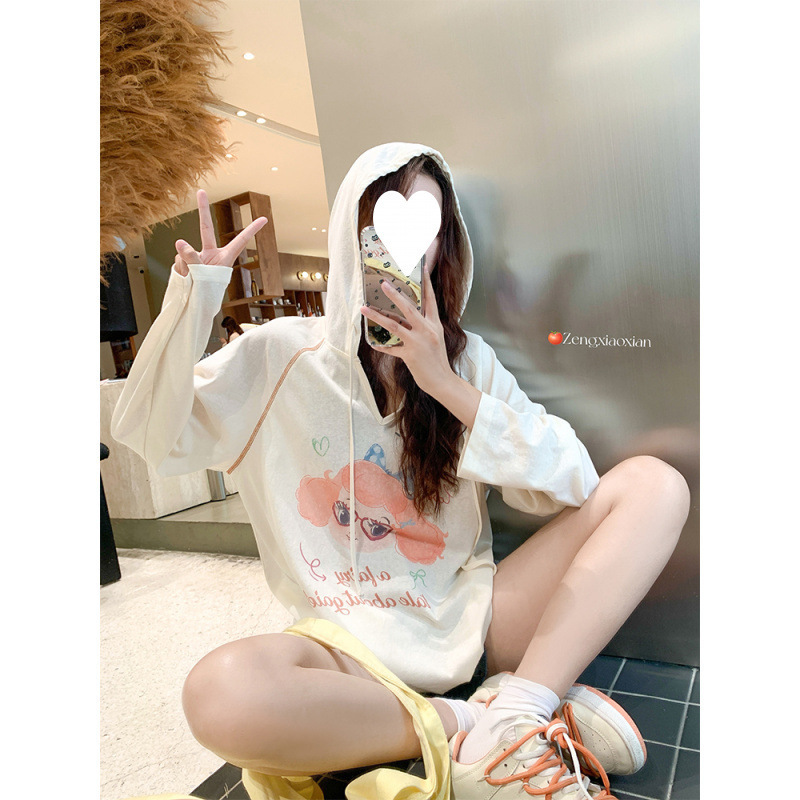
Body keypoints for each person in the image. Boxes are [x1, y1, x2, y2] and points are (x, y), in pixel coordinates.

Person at [110, 142, 690, 799]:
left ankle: (519, 706)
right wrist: (194, 299)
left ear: (444, 246)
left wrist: (447, 385)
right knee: (220, 693)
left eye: (427, 227)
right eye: (382, 227)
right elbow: (149, 435)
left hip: (477, 627)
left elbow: (573, 480)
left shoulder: (468, 363)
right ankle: (483, 720)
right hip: (350, 654)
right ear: (350, 238)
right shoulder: (277, 356)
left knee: (655, 485)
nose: (407, 248)